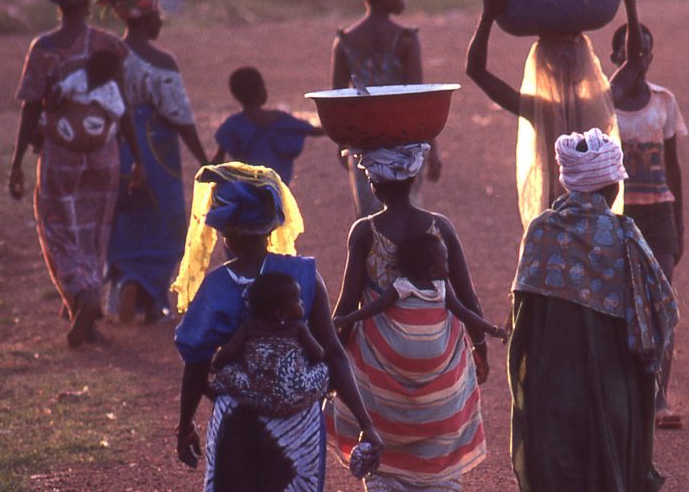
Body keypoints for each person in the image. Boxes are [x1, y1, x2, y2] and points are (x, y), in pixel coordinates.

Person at [172, 163, 382, 491]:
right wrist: (366, 423)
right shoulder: (305, 278)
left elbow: (196, 365)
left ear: (226, 232)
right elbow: (333, 354)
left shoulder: (215, 288)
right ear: (272, 226)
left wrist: (185, 426)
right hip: (298, 422)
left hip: (237, 419)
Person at [509, 128, 678, 491]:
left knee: (558, 472)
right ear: (614, 188)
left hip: (551, 387)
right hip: (613, 387)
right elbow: (661, 312)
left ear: (569, 183)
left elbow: (521, 315)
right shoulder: (625, 236)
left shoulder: (541, 231)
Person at [326, 143, 490, 491]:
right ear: (415, 177)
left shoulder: (364, 232)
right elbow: (468, 299)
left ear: (374, 185)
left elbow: (347, 307)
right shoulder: (441, 228)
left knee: (381, 447)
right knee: (440, 436)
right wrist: (480, 348)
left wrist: (331, 363)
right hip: (439, 367)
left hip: (378, 373)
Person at [8, 0, 143, 348]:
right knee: (94, 233)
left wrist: (17, 163)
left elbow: (31, 107)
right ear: (87, 0)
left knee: (58, 230)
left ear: (54, 0)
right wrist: (137, 159)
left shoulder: (44, 49)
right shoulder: (108, 45)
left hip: (60, 155)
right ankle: (88, 305)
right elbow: (122, 105)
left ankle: (80, 298)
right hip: (104, 155)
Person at [465, 0, 644, 228]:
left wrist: (489, 17)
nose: (567, 61)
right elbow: (635, 61)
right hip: (588, 220)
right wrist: (628, 0)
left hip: (559, 219)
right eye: (561, 54)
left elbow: (476, 70)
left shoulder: (545, 108)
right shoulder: (591, 101)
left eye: (572, 51)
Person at [96, 0, 209, 324]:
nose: (161, 20)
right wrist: (204, 160)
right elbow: (179, 115)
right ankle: (151, 295)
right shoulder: (161, 61)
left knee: (124, 216)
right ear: (146, 17)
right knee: (164, 216)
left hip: (116, 147)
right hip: (156, 150)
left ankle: (128, 280)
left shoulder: (108, 56)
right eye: (158, 13)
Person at [609, 21, 687, 429]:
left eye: (645, 52)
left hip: (658, 215)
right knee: (619, 304)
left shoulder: (665, 101)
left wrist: (679, 221)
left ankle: (659, 397)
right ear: (615, 59)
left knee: (661, 305)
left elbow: (673, 167)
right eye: (630, 52)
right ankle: (624, 393)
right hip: (621, 215)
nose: (639, 60)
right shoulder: (603, 105)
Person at [333, 0, 442, 218]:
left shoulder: (345, 43)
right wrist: (433, 150)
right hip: (406, 142)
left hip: (363, 142)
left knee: (370, 219)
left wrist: (342, 145)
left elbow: (337, 102)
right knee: (409, 215)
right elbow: (419, 99)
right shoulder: (405, 40)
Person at [333, 232, 507, 341]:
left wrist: (492, 330)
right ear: (432, 270)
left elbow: (465, 314)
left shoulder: (441, 288)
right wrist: (347, 319)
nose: (449, 267)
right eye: (445, 263)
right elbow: (373, 308)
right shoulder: (403, 287)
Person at [210, 271, 329, 419]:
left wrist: (216, 366)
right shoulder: (297, 328)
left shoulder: (249, 327)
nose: (302, 303)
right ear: (280, 314)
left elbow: (228, 352)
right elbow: (318, 354)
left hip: (259, 398)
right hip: (294, 397)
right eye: (298, 300)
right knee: (324, 369)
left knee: (227, 372)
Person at [212, 66, 324, 185]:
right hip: (276, 191)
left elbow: (217, 161)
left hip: (247, 192)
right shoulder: (282, 121)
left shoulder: (232, 125)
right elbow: (317, 131)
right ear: (261, 91)